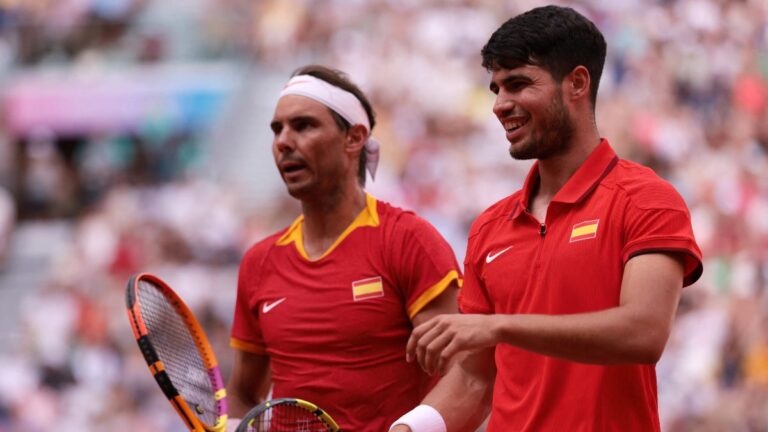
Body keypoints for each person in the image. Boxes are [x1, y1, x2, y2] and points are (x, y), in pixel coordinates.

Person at [391, 5, 703, 432]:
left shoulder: (647, 199)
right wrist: (410, 428)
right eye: (496, 89)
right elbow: (473, 378)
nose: (500, 105)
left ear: (577, 83)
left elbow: (644, 333)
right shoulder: (488, 226)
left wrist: (498, 326)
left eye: (518, 84)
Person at [226, 65, 462, 431]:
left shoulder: (408, 239)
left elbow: (463, 374)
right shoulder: (259, 261)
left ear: (354, 138)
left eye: (303, 126)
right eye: (277, 129)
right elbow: (243, 392)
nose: (283, 141)